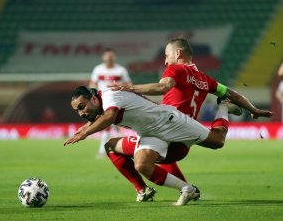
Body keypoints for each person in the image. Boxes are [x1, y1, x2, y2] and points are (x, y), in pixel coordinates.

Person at [106, 37, 273, 202]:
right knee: (158, 156)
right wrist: (254, 110)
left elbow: (163, 87)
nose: (165, 61)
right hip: (183, 141)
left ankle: (142, 189)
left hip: (166, 127)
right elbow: (234, 94)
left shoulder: (175, 70)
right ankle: (185, 188)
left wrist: (131, 88)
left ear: (177, 53)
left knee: (114, 147)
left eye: (166, 55)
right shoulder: (205, 79)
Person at [64, 86, 254, 205]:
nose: (81, 113)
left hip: (169, 121)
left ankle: (223, 106)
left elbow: (109, 117)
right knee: (137, 162)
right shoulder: (99, 104)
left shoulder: (111, 95)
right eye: (77, 111)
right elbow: (98, 117)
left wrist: (85, 133)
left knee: (217, 141)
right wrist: (83, 128)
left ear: (93, 98)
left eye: (82, 107)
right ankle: (181, 189)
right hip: (151, 134)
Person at [89, 48, 132, 158]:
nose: (109, 58)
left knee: (111, 123)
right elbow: (93, 83)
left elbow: (128, 84)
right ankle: (106, 149)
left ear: (114, 57)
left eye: (111, 56)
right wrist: (92, 97)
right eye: (107, 56)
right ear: (103, 57)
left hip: (117, 100)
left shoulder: (120, 70)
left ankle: (106, 150)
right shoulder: (98, 69)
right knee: (108, 123)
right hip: (102, 100)